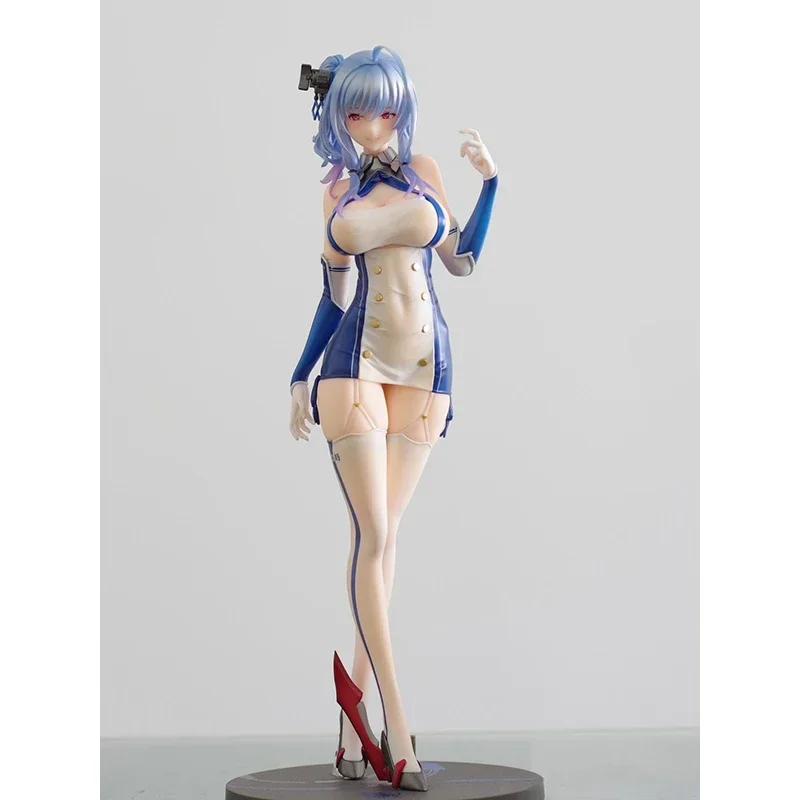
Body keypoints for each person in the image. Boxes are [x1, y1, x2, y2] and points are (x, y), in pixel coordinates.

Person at [288, 45, 498, 791]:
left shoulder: (426, 172)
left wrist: (492, 184)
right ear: (337, 117)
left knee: (382, 542)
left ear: (401, 109)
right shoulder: (336, 194)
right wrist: (299, 373)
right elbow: (334, 295)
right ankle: (397, 733)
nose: (374, 124)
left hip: (426, 371)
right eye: (357, 111)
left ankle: (351, 715)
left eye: (386, 109)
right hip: (355, 370)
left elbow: (462, 261)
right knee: (374, 537)